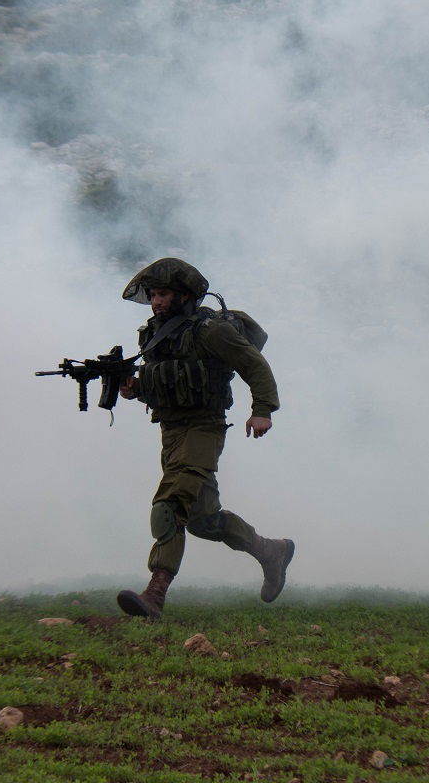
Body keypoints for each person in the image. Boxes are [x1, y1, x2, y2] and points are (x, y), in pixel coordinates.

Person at [115, 256, 294, 618]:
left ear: (184, 295)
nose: (156, 302)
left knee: (170, 504)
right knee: (202, 520)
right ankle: (270, 552)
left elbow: (254, 365)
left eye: (163, 294)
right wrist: (136, 388)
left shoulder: (211, 330)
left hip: (203, 428)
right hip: (172, 431)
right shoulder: (157, 334)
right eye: (152, 295)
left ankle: (155, 593)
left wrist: (263, 409)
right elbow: (170, 380)